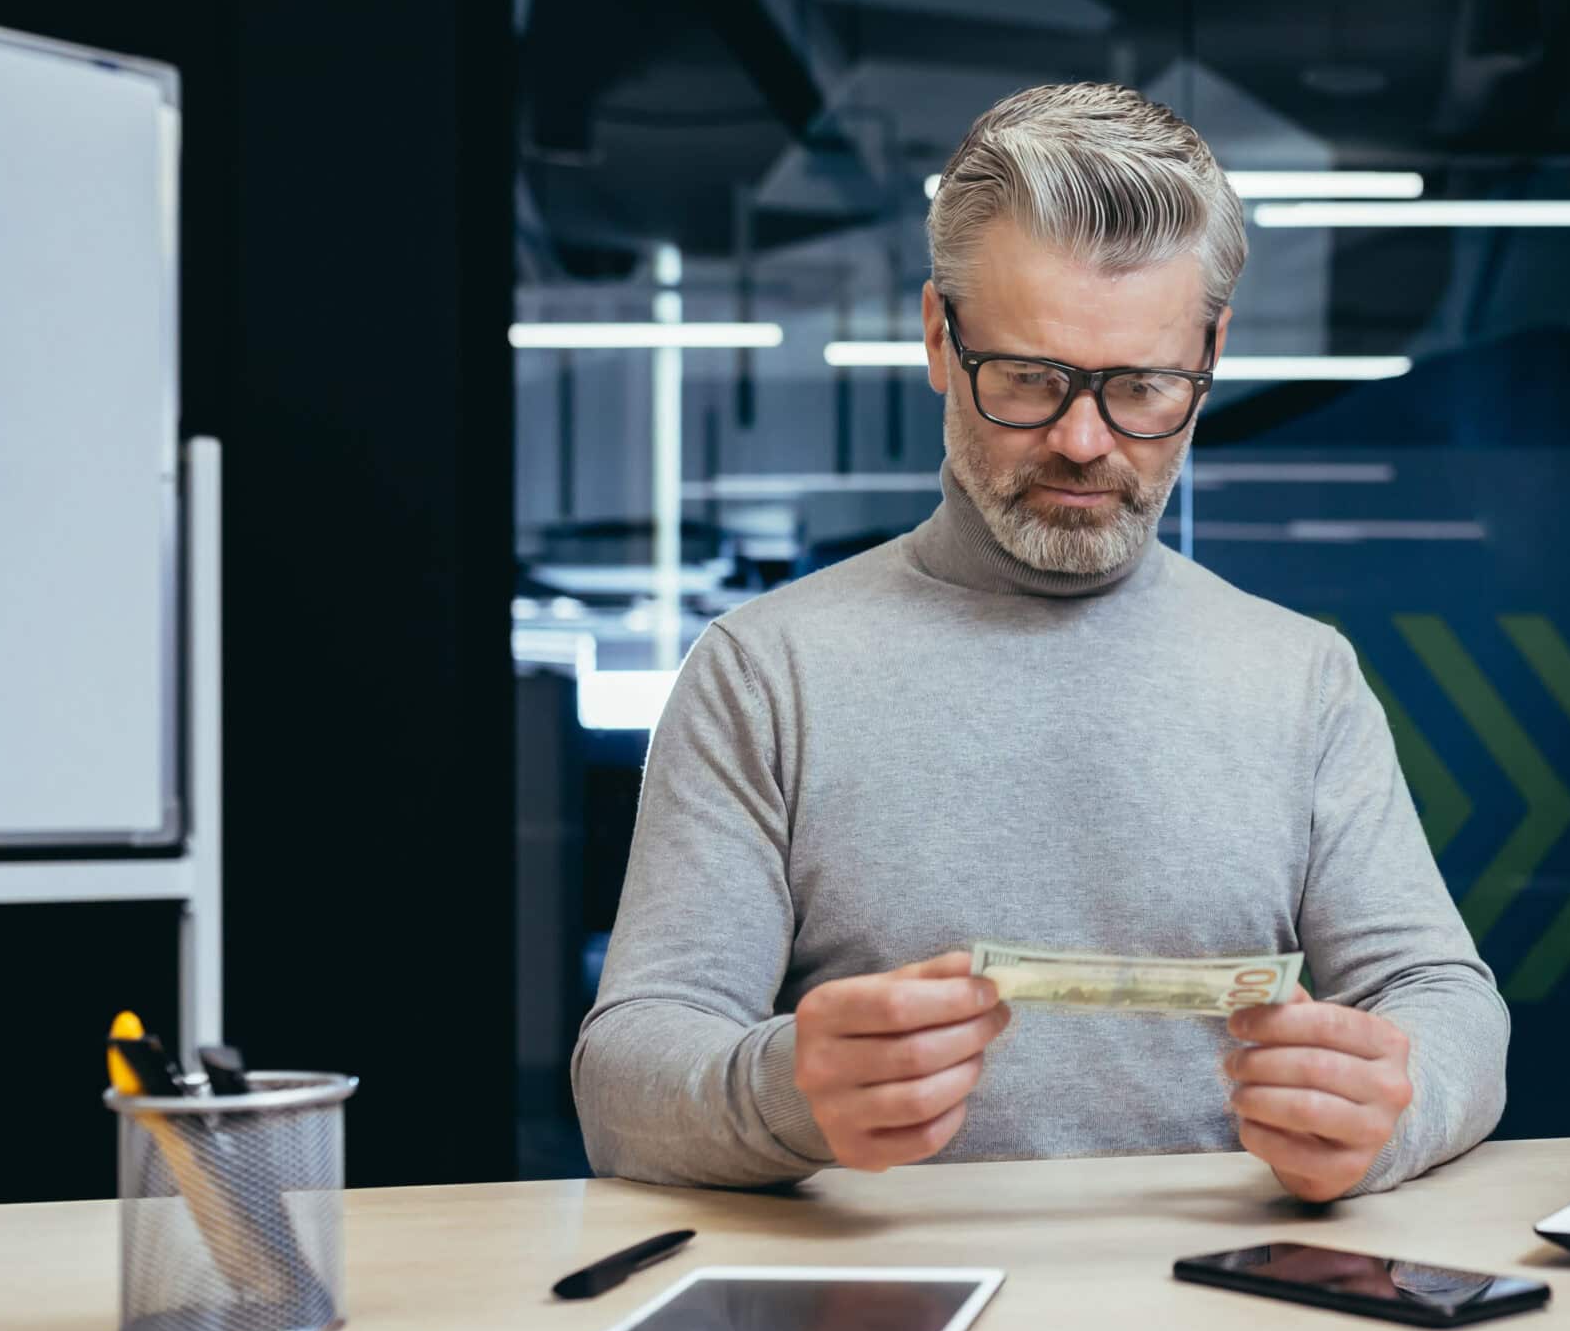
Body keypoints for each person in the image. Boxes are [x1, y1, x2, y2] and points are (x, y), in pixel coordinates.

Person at [573, 82, 1508, 1201]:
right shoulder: (763, 674)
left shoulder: (1299, 679)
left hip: (1235, 1318)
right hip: (881, 1319)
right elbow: (622, 1079)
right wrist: (783, 1092)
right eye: (1027, 378)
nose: (1080, 439)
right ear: (936, 337)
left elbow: (1445, 1002)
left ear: (1208, 354)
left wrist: (1391, 1108)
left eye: (1142, 387)